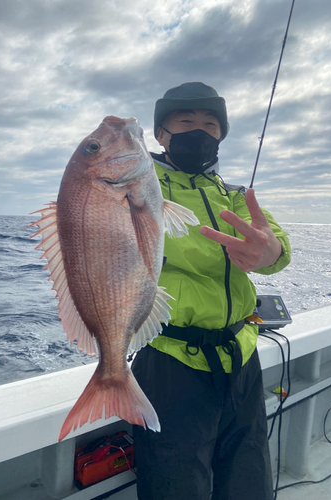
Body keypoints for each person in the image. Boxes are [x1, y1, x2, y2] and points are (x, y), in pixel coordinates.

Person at [131, 82, 291, 500]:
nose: (200, 131)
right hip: (170, 363)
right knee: (177, 484)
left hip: (241, 359)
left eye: (211, 124)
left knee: (249, 477)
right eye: (186, 121)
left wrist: (268, 250)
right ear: (161, 135)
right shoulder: (140, 191)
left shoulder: (237, 196)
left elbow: (276, 246)